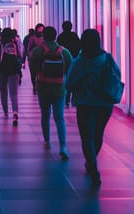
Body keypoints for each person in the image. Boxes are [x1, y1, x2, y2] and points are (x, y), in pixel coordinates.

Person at [65, 29, 119, 187]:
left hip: (85, 104)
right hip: (104, 104)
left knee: (87, 137)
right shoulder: (106, 58)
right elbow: (117, 75)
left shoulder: (79, 62)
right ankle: (91, 161)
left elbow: (69, 83)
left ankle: (92, 166)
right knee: (98, 135)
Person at [29, 26, 72, 161]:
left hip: (43, 86)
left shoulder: (39, 51)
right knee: (60, 118)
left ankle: (47, 140)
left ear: (43, 36)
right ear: (55, 36)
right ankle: (63, 146)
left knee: (45, 115)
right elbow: (71, 66)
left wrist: (34, 82)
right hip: (59, 88)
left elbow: (32, 67)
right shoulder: (64, 52)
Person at [0, 28, 22, 125]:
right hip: (14, 69)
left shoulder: (1, 43)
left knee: (3, 92)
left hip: (1, 69)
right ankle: (15, 112)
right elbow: (21, 55)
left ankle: (5, 112)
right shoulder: (16, 42)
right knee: (14, 93)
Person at [27, 23, 45, 94]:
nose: (40, 31)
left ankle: (40, 86)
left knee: (42, 73)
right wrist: (30, 55)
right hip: (33, 59)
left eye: (42, 30)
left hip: (43, 58)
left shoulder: (44, 38)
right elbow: (29, 47)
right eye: (39, 29)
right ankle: (35, 86)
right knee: (33, 74)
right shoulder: (32, 38)